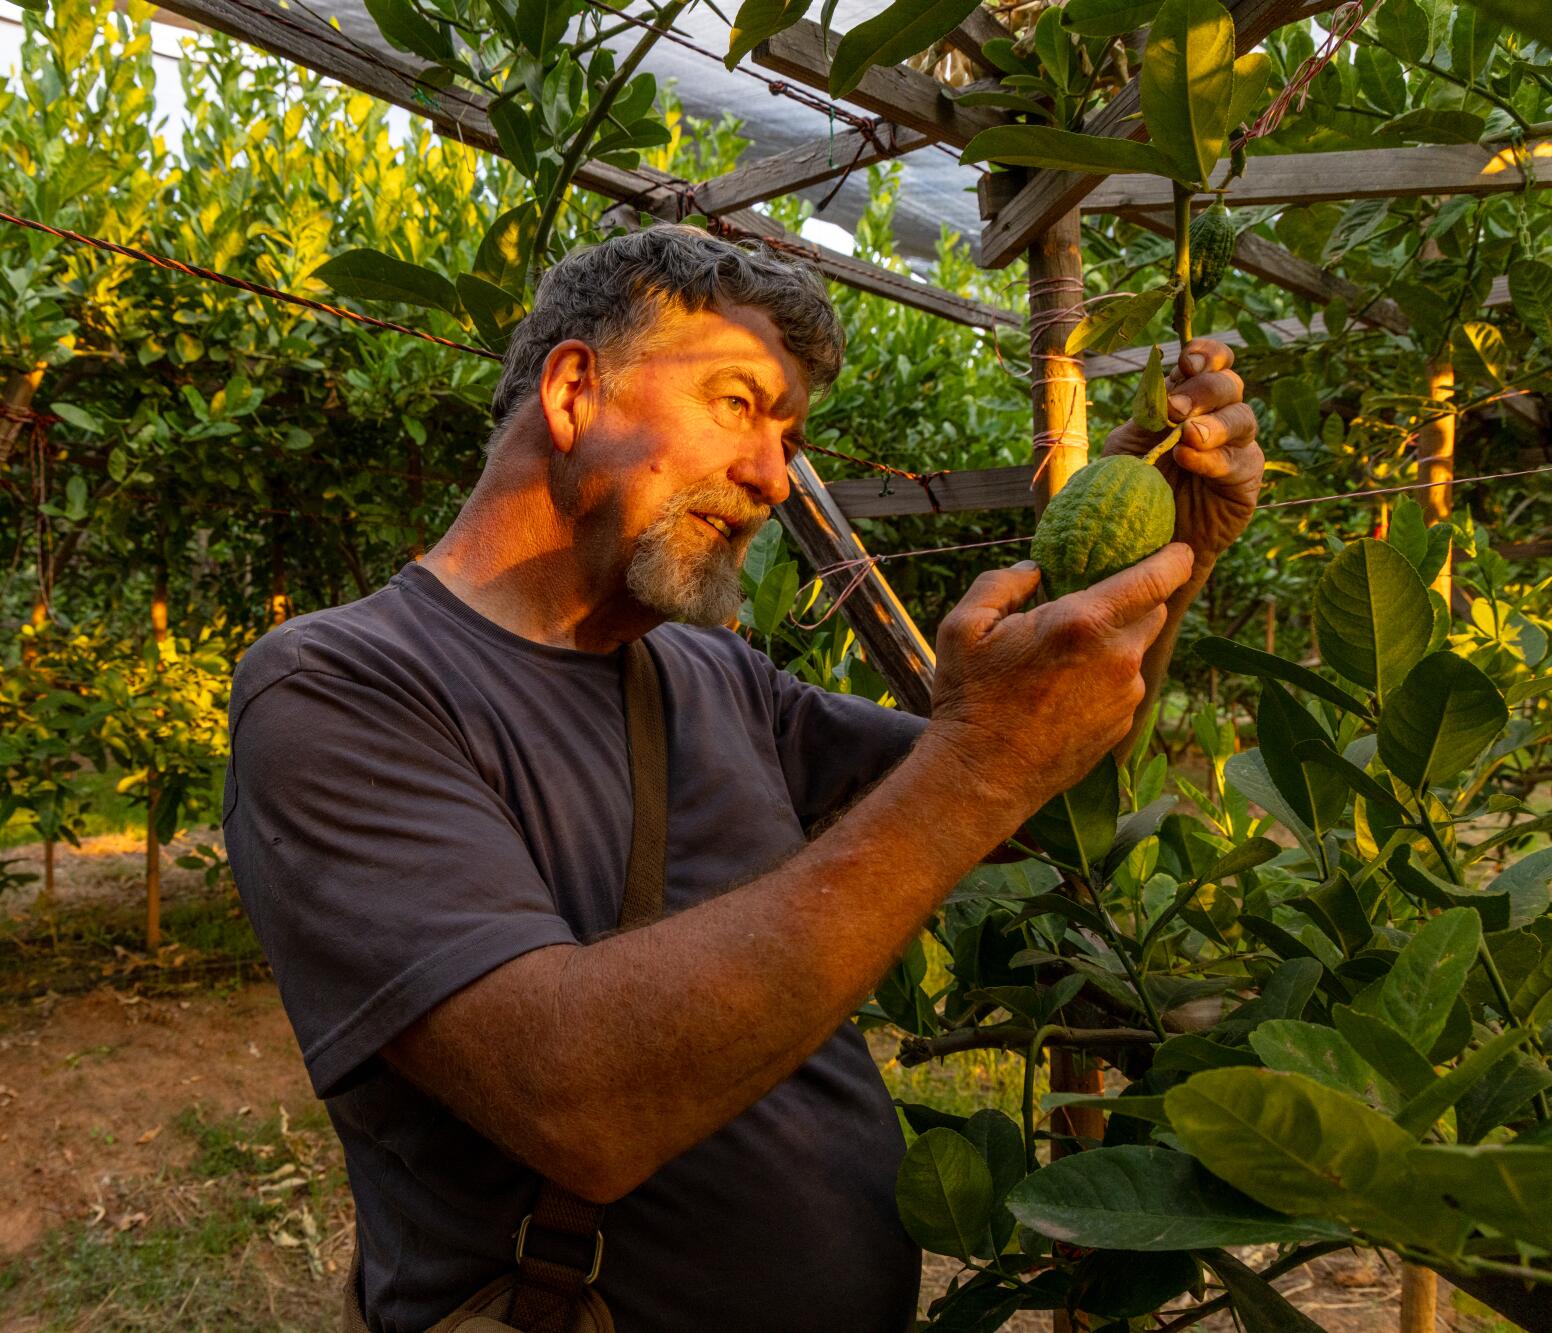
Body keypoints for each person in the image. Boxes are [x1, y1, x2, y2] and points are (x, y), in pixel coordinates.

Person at [222, 224, 1263, 1332]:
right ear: (575, 391)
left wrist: (1167, 562)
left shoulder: (711, 671)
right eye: (735, 403)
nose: (776, 476)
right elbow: (579, 1101)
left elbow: (1020, 801)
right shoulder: (337, 688)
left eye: (789, 432)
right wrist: (977, 759)